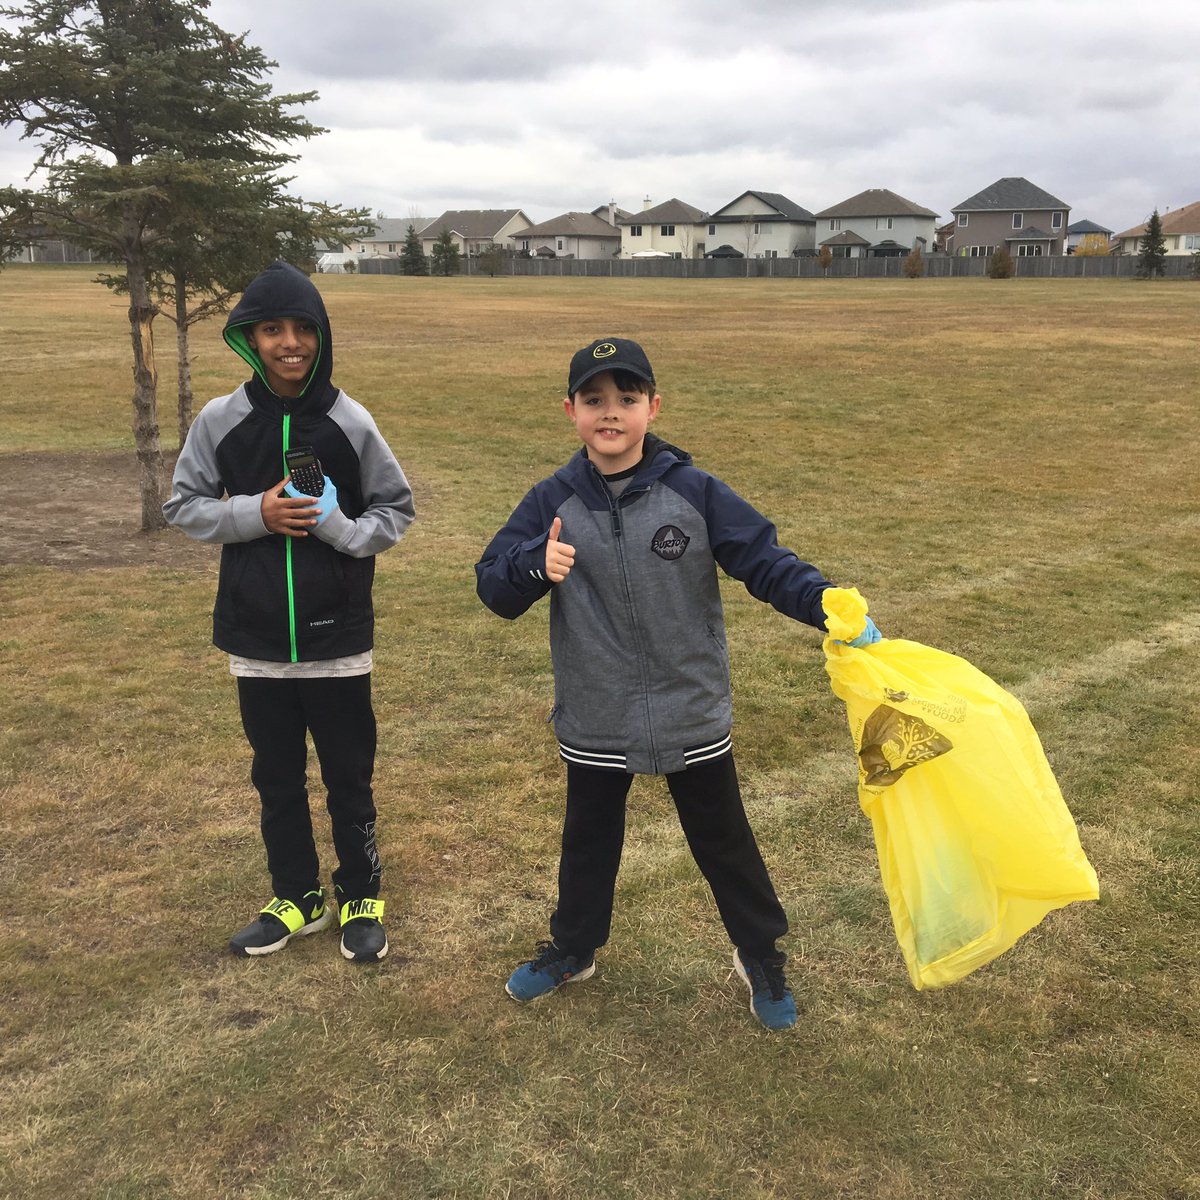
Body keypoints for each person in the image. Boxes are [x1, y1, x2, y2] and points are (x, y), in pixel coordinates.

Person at [474, 337, 880, 1030]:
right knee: (589, 838)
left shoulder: (693, 491)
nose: (611, 414)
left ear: (652, 407)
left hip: (688, 704)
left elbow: (763, 559)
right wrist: (534, 565)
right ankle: (573, 949)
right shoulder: (552, 500)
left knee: (723, 837)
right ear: (570, 411)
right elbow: (494, 585)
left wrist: (824, 606)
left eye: (626, 400)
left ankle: (759, 953)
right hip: (597, 708)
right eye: (594, 401)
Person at [164, 260, 415, 964]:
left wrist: (338, 527)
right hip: (258, 636)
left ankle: (361, 894)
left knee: (348, 775)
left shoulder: (347, 420)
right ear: (249, 338)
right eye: (271, 329)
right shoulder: (222, 419)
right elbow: (184, 505)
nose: (289, 342)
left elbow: (395, 511)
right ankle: (297, 896)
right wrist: (257, 513)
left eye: (303, 328)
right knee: (275, 775)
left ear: (321, 335)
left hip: (338, 639)